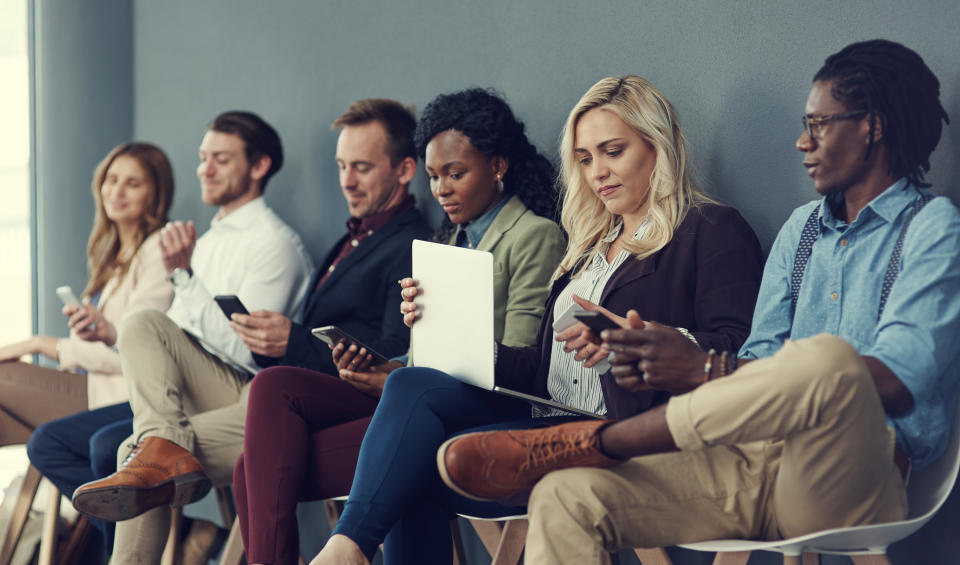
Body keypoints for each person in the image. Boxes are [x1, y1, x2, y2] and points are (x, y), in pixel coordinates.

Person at [437, 40, 960, 565]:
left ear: (872, 126)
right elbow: (755, 368)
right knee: (567, 496)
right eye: (806, 124)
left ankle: (605, 440)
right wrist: (683, 363)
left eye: (820, 124)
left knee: (828, 360)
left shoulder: (933, 227)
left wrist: (704, 366)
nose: (803, 142)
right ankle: (589, 448)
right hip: (750, 463)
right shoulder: (803, 231)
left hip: (853, 473)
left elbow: (899, 381)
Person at [312, 76, 764, 565]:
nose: (598, 173)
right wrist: (448, 330)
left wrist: (632, 342)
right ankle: (348, 547)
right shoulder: (587, 244)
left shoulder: (709, 229)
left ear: (658, 146)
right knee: (412, 392)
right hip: (549, 418)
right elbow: (541, 370)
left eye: (613, 151)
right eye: (586, 158)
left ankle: (347, 548)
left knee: (415, 445)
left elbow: (736, 350)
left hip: (625, 430)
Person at [233, 89, 566, 565]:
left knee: (264, 462)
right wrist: (388, 366)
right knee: (269, 406)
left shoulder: (535, 235)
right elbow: (419, 361)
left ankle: (349, 546)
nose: (441, 190)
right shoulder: (448, 239)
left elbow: (521, 361)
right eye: (433, 176)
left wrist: (427, 350)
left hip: (490, 404)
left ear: (498, 166)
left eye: (456, 173)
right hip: (423, 393)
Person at [67, 111, 315, 565]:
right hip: (194, 394)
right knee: (135, 442)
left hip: (250, 393)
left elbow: (248, 353)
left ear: (258, 167)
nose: (204, 169)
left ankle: (162, 448)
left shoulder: (273, 245)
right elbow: (174, 335)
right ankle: (163, 445)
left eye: (220, 159)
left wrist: (183, 275)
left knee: (129, 449)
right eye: (203, 158)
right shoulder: (209, 239)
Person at [0, 141, 174, 559]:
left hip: (120, 398)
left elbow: (133, 350)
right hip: (94, 388)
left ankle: (147, 532)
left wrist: (42, 345)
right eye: (112, 180)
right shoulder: (115, 254)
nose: (117, 191)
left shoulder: (160, 253)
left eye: (132, 183)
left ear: (156, 193)